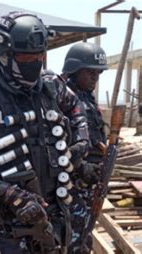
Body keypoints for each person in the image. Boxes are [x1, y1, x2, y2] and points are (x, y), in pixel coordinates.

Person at [0, 12, 89, 253]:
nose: (35, 62)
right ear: (3, 55)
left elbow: (76, 108)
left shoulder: (51, 85)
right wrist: (11, 195)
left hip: (61, 213)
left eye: (39, 55)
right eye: (25, 56)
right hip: (12, 225)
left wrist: (81, 142)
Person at [62, 42, 108, 253]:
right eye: (89, 72)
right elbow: (56, 146)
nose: (95, 78)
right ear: (74, 70)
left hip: (91, 181)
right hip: (72, 181)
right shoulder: (63, 99)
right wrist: (81, 167)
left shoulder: (86, 98)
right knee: (74, 235)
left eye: (98, 73)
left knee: (85, 233)